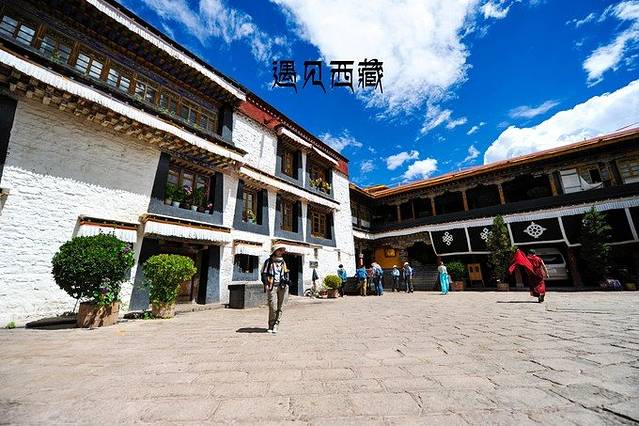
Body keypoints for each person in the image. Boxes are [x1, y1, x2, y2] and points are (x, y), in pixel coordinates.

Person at [261, 245, 289, 334]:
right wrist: (266, 284)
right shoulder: (268, 261)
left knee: (281, 306)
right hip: (272, 286)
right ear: (274, 251)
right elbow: (263, 273)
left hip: (282, 286)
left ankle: (276, 324)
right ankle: (271, 325)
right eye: (279, 250)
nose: (281, 251)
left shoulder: (283, 262)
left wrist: (287, 281)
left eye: (282, 250)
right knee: (273, 306)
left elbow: (285, 273)